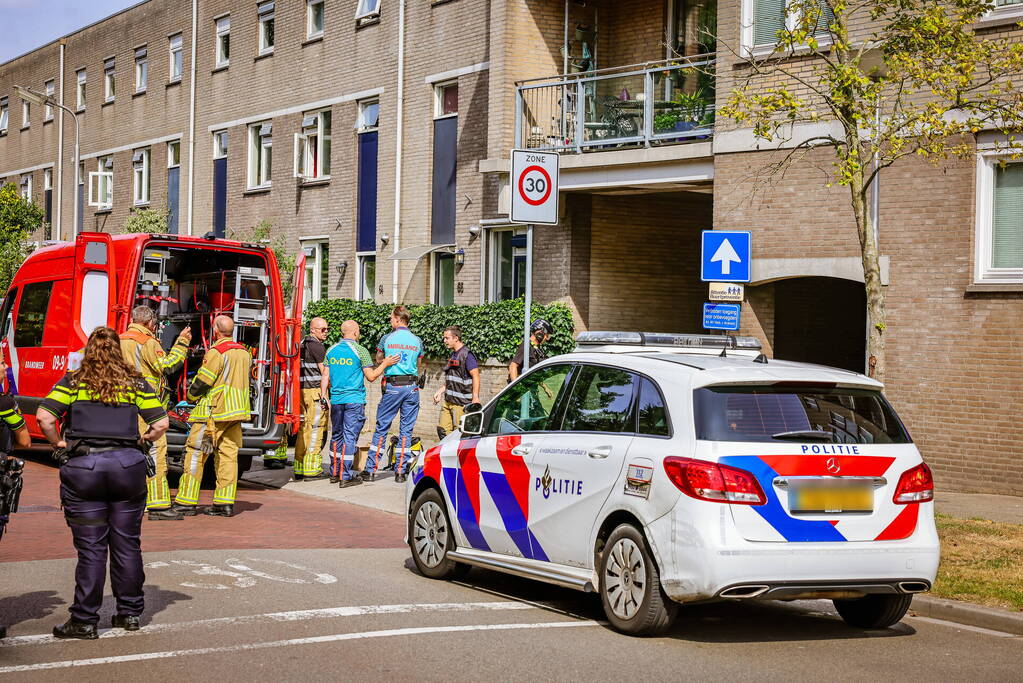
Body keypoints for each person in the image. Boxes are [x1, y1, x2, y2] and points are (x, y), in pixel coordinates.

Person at [35, 327, 170, 639]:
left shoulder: (73, 380)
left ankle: (84, 619)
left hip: (85, 470)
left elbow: (44, 417)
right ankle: (130, 613)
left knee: (92, 548)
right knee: (127, 543)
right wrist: (142, 439)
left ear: (89, 351)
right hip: (127, 468)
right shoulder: (135, 382)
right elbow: (160, 422)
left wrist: (59, 444)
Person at [171, 315, 251, 518]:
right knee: (228, 457)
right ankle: (224, 503)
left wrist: (190, 396)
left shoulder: (216, 352)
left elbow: (204, 380)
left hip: (212, 413)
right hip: (236, 412)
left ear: (216, 330)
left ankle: (185, 502)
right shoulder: (244, 352)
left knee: (196, 454)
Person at [119, 306, 192, 520]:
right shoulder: (148, 342)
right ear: (149, 323)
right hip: (145, 406)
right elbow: (167, 366)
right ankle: (158, 505)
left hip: (121, 406)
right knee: (156, 450)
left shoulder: (118, 339)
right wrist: (182, 342)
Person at [324, 320, 398, 487]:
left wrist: (324, 396)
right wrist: (385, 364)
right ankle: (346, 476)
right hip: (354, 400)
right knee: (349, 437)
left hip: (336, 400)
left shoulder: (331, 350)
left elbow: (325, 376)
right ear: (356, 332)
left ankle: (334, 473)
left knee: (336, 435)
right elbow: (371, 376)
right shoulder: (361, 351)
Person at [366, 306, 423, 483]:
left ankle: (370, 470)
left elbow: (378, 359)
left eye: (391, 318)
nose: (390, 321)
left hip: (393, 386)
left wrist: (387, 362)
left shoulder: (387, 338)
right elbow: (418, 362)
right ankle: (400, 472)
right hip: (412, 387)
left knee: (382, 427)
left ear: (398, 319)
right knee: (406, 430)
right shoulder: (417, 340)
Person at [289, 317, 330, 480]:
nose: (326, 332)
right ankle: (312, 468)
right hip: (314, 392)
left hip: (301, 391)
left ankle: (299, 466)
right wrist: (326, 394)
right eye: (322, 329)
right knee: (316, 428)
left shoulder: (301, 345)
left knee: (304, 429)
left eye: (327, 329)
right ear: (313, 329)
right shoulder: (317, 347)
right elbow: (324, 372)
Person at [433, 326, 480, 440]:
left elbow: (476, 376)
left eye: (447, 338)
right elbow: (452, 378)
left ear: (456, 338)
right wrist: (440, 391)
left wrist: (475, 397)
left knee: (459, 435)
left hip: (461, 404)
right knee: (443, 431)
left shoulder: (467, 355)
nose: (444, 341)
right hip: (448, 401)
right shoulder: (453, 354)